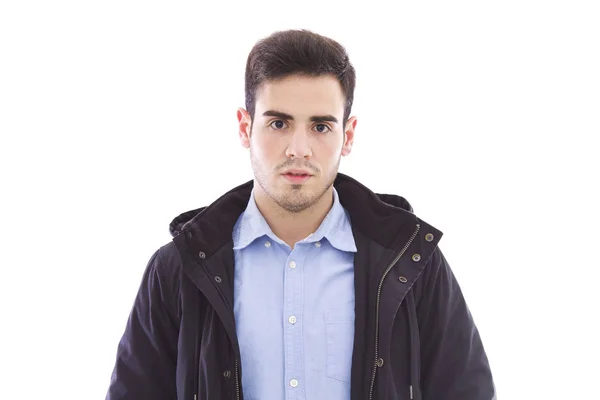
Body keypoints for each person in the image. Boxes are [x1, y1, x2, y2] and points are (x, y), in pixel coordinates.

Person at [105, 29, 496, 400]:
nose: (299, 149)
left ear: (349, 134)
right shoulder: (178, 269)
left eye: (321, 126)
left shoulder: (411, 264)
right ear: (245, 127)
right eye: (278, 123)